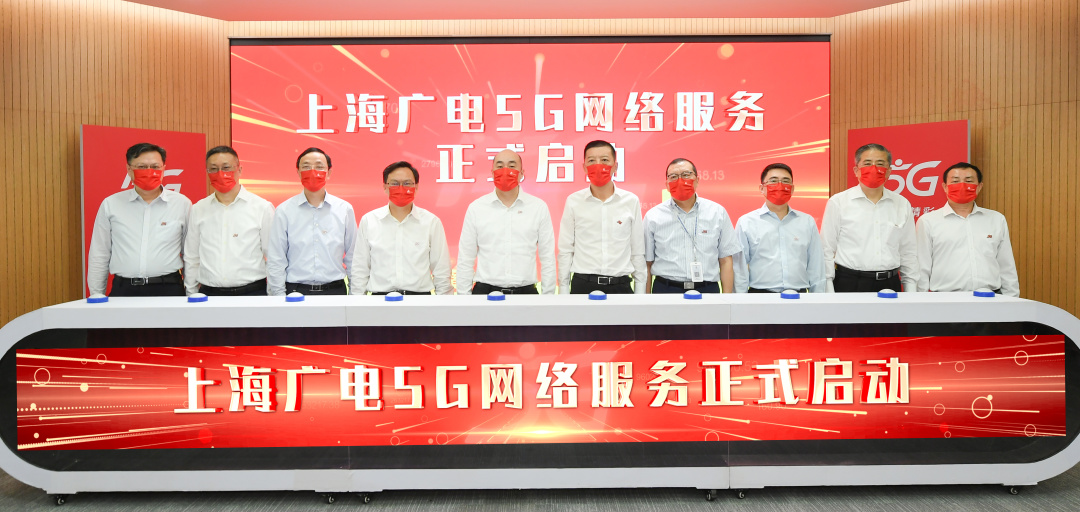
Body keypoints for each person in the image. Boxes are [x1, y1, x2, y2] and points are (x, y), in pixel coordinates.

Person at [87, 142, 191, 297]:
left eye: (155, 167)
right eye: (142, 167)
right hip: (124, 289)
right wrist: (96, 294)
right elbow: (100, 254)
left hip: (168, 288)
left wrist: (191, 293)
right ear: (129, 169)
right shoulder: (111, 204)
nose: (149, 172)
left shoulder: (182, 204)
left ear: (163, 168)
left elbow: (190, 254)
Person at [821, 143, 918, 292]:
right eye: (867, 163)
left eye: (880, 164)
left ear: (889, 171)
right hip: (850, 282)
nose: (874, 169)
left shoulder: (901, 204)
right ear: (856, 170)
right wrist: (828, 289)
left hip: (890, 283)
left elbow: (908, 252)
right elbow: (826, 249)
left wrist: (911, 290)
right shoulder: (838, 202)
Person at [456, 150, 556, 295]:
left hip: (526, 293)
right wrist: (464, 298)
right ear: (492, 173)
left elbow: (547, 257)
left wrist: (548, 298)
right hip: (485, 293)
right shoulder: (476, 208)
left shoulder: (538, 207)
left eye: (512, 166)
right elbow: (466, 257)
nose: (505, 170)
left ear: (521, 173)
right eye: (500, 166)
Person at [916, 162, 1019, 296]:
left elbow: (1007, 266)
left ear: (979, 187)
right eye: (955, 181)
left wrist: (1012, 299)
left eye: (969, 181)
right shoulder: (928, 221)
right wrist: (920, 300)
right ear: (945, 187)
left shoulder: (996, 219)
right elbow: (921, 268)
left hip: (991, 298)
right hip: (945, 298)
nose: (962, 186)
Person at [183, 146, 275, 296]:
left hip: (252, 292)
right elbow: (192, 257)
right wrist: (191, 293)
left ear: (239, 170)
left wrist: (273, 295)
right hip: (209, 294)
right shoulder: (198, 209)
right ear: (207, 172)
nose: (220, 174)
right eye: (213, 169)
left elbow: (273, 256)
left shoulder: (262, 207)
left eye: (226, 168)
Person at [557, 140, 647, 294]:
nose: (598, 165)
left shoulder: (631, 201)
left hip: (620, 286)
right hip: (583, 285)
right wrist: (564, 291)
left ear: (615, 166)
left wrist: (640, 294)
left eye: (605, 160)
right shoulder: (573, 201)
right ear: (584, 167)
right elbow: (566, 250)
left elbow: (637, 251)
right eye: (592, 161)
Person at [351, 161, 453, 295]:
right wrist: (358, 301)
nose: (401, 188)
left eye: (407, 183)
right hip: (380, 299)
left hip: (420, 299)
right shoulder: (369, 221)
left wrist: (444, 302)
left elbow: (441, 269)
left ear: (416, 187)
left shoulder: (431, 222)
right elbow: (360, 269)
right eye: (394, 183)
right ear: (385, 187)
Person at [266, 147, 357, 296]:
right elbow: (276, 258)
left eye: (319, 167)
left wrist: (355, 295)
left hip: (335, 291)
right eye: (306, 167)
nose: (313, 172)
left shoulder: (344, 209)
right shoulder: (284, 210)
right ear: (298, 172)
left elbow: (353, 257)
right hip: (295, 291)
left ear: (329, 173)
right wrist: (279, 297)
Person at [644, 158, 740, 294]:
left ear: (697, 180)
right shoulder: (653, 216)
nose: (680, 180)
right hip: (666, 289)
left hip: (707, 289)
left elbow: (726, 260)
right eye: (673, 177)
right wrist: (647, 300)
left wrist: (726, 298)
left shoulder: (717, 212)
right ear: (667, 184)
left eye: (686, 175)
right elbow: (647, 264)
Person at [733, 163, 827, 293]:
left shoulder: (807, 221)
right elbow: (739, 268)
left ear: (792, 189)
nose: (780, 186)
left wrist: (818, 298)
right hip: (760, 295)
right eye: (773, 181)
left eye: (785, 181)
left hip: (799, 296)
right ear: (762, 188)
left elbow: (816, 265)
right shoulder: (746, 222)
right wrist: (740, 299)